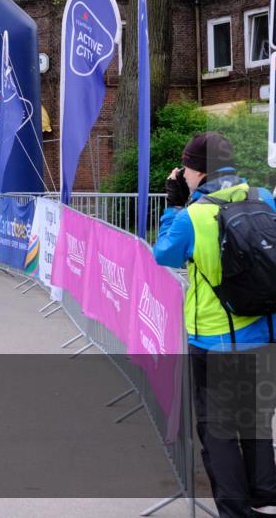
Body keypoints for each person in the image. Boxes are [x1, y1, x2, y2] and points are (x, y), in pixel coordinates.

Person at [152, 131, 276, 517]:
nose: (184, 173)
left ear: (199, 170)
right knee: (255, 421)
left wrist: (173, 205)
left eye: (187, 167)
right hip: (263, 333)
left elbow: (164, 255)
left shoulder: (193, 215)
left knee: (219, 432)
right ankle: (263, 493)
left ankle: (235, 510)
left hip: (213, 338)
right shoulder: (263, 197)